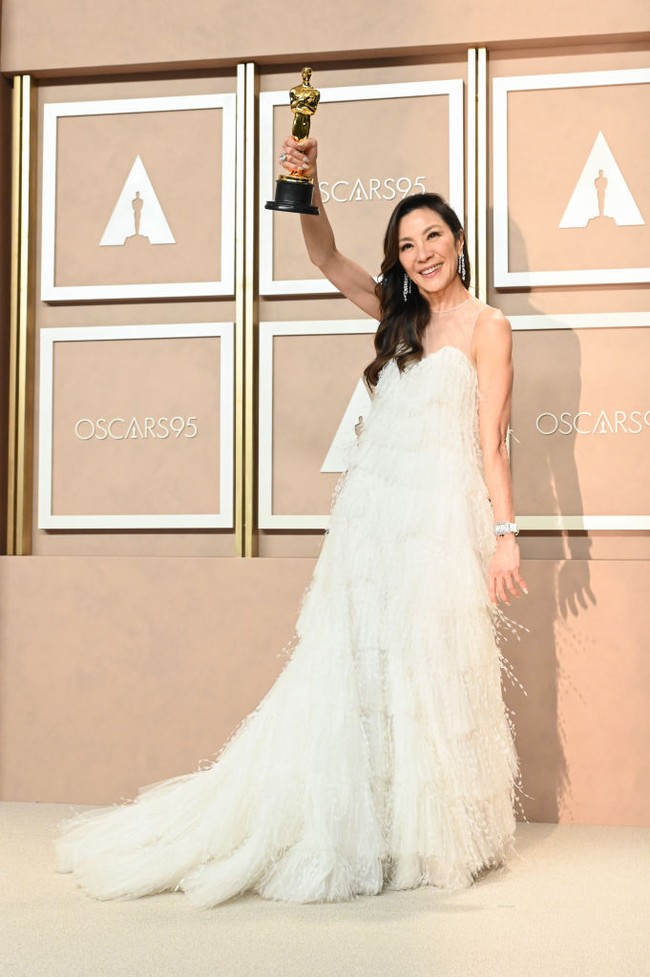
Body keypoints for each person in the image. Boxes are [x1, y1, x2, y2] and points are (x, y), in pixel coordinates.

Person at [56, 135, 528, 909]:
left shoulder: (488, 327)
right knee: (357, 668)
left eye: (432, 236)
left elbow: (493, 444)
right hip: (370, 519)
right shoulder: (395, 316)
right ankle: (363, 827)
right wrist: (307, 182)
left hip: (440, 522)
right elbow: (325, 258)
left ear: (459, 240)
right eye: (406, 245)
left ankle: (422, 833)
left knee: (427, 670)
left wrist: (506, 537)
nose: (421, 253)